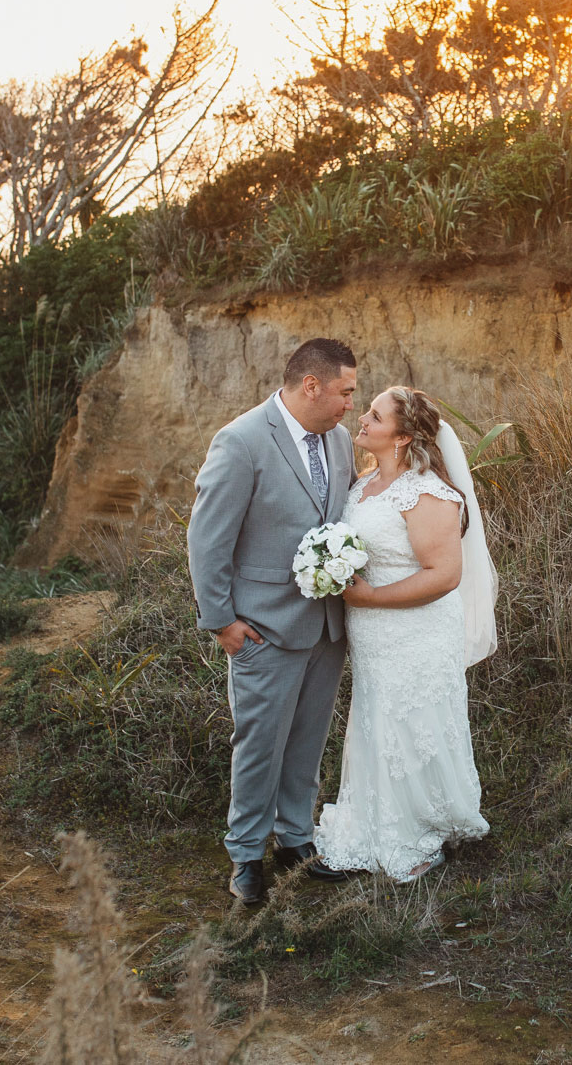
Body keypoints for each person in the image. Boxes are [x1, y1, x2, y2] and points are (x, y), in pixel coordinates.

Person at [187, 337, 361, 906]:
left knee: (308, 740)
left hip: (327, 626)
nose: (349, 406)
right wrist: (222, 623)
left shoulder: (337, 441)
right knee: (259, 744)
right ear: (311, 385)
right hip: (261, 628)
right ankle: (245, 857)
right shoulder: (240, 441)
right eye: (344, 392)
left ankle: (295, 840)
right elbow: (208, 539)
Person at [313, 385, 495, 881]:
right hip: (372, 634)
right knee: (377, 720)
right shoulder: (364, 486)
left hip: (415, 629)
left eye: (375, 415)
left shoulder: (428, 492)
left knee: (411, 722)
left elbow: (444, 575)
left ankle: (417, 828)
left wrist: (371, 598)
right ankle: (373, 820)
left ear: (403, 437)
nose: (362, 419)